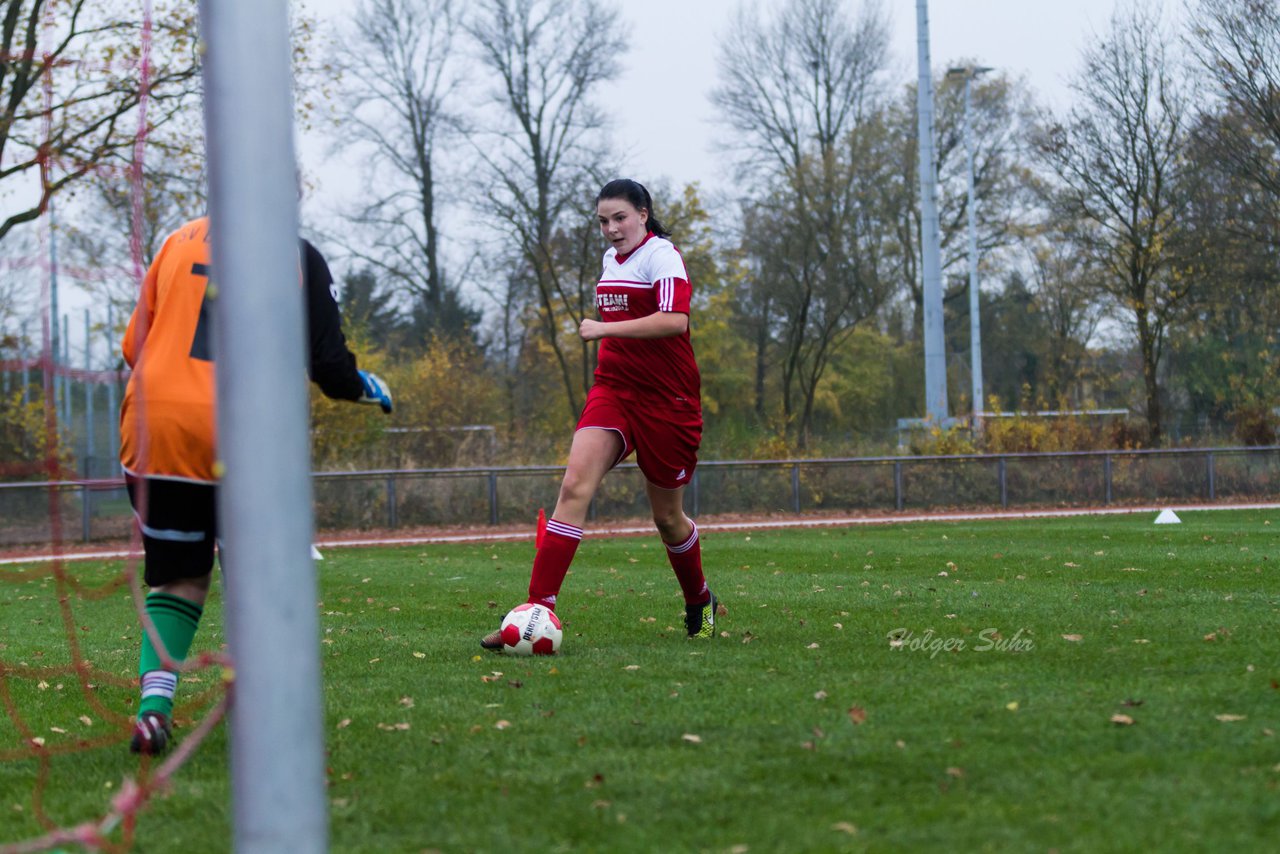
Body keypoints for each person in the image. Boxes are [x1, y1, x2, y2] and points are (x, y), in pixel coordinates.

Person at [119, 215, 393, 755]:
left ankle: (154, 710)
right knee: (258, 577)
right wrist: (366, 386)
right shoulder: (296, 253)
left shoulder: (176, 240)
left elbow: (135, 347)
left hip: (156, 428)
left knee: (177, 579)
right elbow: (330, 368)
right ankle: (267, 707)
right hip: (245, 435)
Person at [481, 179, 721, 649]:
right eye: (603, 222)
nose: (611, 230)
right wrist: (608, 338)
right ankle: (535, 611)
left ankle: (700, 600)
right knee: (573, 487)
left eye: (620, 218)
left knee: (668, 520)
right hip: (613, 391)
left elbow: (676, 321)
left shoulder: (662, 256)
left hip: (668, 402)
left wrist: (604, 328)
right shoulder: (611, 259)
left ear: (643, 214)